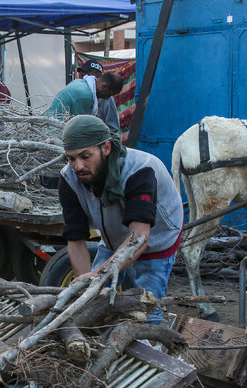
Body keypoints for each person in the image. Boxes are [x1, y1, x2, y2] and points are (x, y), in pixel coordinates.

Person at [57, 115, 183, 318]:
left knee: (146, 311)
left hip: (156, 238)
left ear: (106, 148)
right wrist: (86, 285)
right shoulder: (69, 178)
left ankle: (150, 340)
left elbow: (139, 238)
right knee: (91, 301)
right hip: (113, 239)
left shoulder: (139, 170)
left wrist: (97, 275)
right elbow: (76, 237)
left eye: (85, 156)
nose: (77, 166)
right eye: (71, 158)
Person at [47, 70, 124, 126]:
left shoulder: (81, 82)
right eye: (109, 94)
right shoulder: (85, 96)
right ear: (104, 86)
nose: (107, 98)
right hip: (54, 130)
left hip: (50, 124)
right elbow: (79, 127)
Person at [74, 61, 121, 133]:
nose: (84, 76)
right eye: (82, 73)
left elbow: (113, 127)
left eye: (88, 73)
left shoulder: (106, 97)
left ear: (98, 76)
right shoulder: (80, 90)